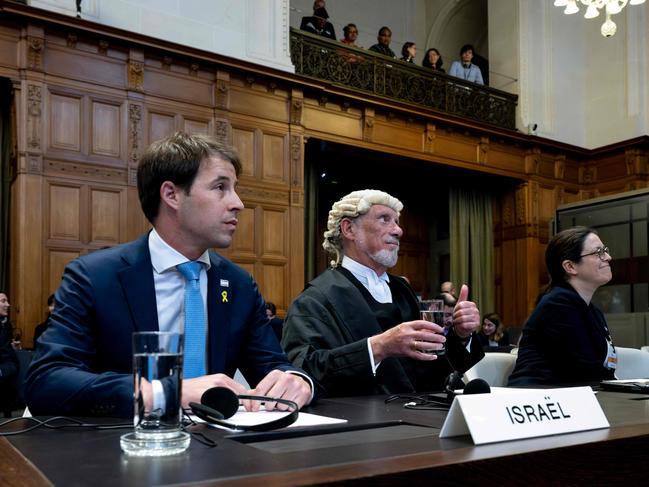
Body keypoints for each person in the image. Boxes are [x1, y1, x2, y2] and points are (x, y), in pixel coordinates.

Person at [25, 132, 313, 417]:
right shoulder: (94, 276)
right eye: (220, 187)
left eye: (235, 188)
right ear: (171, 195)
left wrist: (298, 382)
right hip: (118, 449)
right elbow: (47, 381)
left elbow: (274, 366)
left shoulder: (237, 284)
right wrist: (168, 393)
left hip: (219, 450)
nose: (238, 202)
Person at [281, 190, 484, 397]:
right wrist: (379, 347)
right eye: (384, 219)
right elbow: (303, 372)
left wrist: (461, 335)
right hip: (362, 423)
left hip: (426, 414)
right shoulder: (315, 299)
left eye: (397, 221)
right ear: (349, 229)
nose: (398, 230)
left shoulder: (403, 290)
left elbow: (435, 368)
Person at [508, 227, 616, 386]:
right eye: (598, 252)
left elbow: (602, 369)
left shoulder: (593, 311)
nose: (608, 257)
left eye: (605, 250)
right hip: (541, 400)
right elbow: (586, 369)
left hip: (575, 396)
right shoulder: (557, 304)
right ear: (570, 266)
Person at [0, 292, 18, 416]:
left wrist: (11, 347)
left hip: (8, 369)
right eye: (3, 301)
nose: (8, 304)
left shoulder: (6, 325)